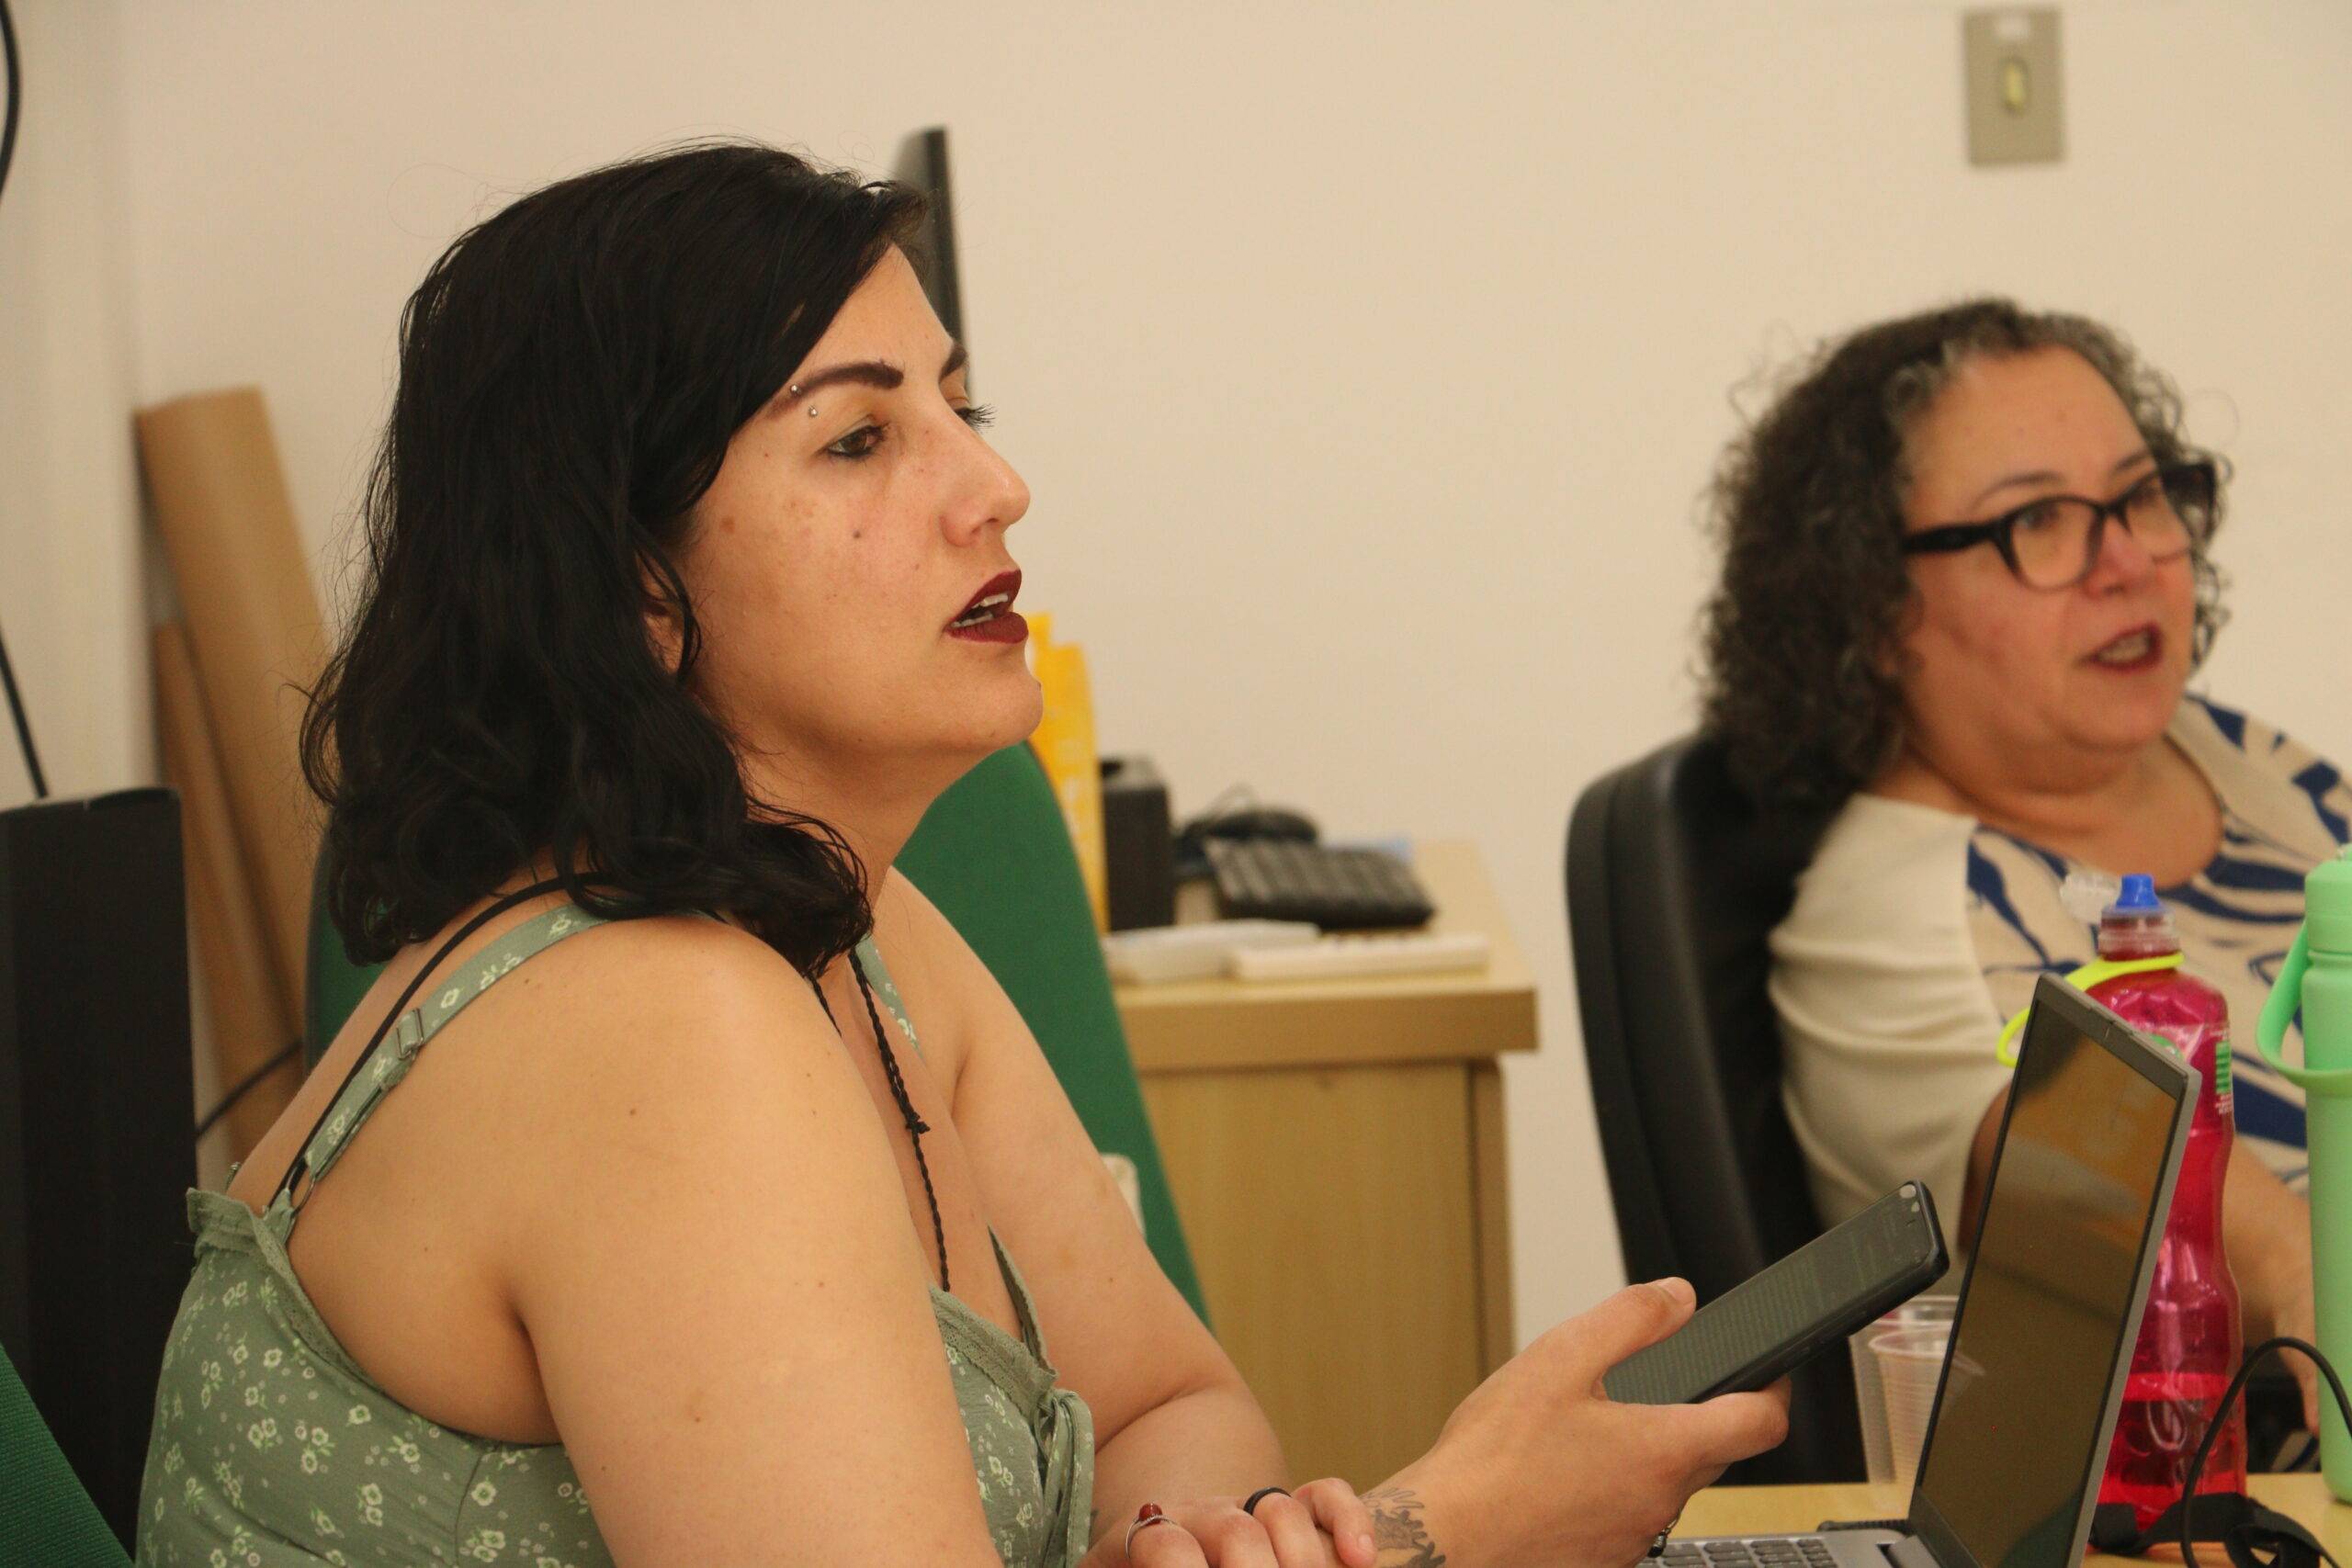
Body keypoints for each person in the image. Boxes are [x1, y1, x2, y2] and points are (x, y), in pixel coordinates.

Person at [137, 142, 1785, 1568]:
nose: (997, 484)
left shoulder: (857, 922)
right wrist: (1451, 1527)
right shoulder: (655, 1024)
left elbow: (1168, 1402)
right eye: (858, 439)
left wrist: (1192, 1539)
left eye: (960, 405)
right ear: (629, 581)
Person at [1699, 298, 2338, 1425]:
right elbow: (2147, 1177)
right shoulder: (1891, 921)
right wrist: (2310, 1269)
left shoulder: (2249, 763)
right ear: (1872, 607)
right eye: (2038, 520)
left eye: (2141, 495)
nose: (2128, 560)